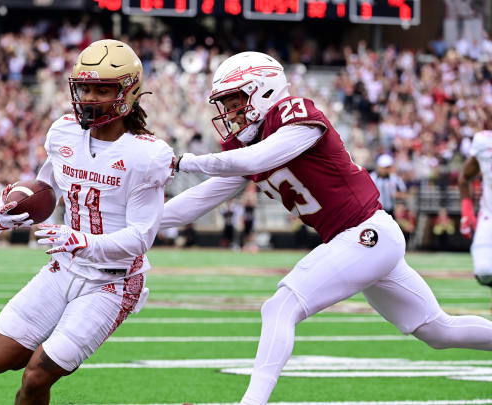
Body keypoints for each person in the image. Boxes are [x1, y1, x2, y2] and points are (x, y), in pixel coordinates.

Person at [162, 51, 492, 405]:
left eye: (235, 100)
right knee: (437, 331)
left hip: (365, 233)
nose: (230, 112)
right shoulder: (249, 143)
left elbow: (258, 159)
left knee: (280, 306)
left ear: (263, 90)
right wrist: (141, 230)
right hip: (359, 241)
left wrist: (185, 161)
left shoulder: (295, 116)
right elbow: (202, 198)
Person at [0, 40, 174, 405]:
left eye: (102, 89)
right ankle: (59, 334)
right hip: (64, 268)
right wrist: (5, 210)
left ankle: (60, 345)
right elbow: (44, 188)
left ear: (129, 92)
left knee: (36, 378)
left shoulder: (146, 155)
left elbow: (141, 237)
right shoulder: (64, 132)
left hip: (113, 282)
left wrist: (83, 242)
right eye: (84, 87)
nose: (89, 97)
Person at [459, 128, 492, 290]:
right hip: (489, 214)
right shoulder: (484, 142)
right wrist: (467, 209)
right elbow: (465, 177)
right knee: (484, 271)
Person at [370, 153, 407, 218]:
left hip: (391, 211)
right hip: (376, 212)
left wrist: (397, 196)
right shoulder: (372, 178)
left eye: (388, 167)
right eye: (385, 167)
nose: (387, 169)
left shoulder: (395, 178)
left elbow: (404, 193)